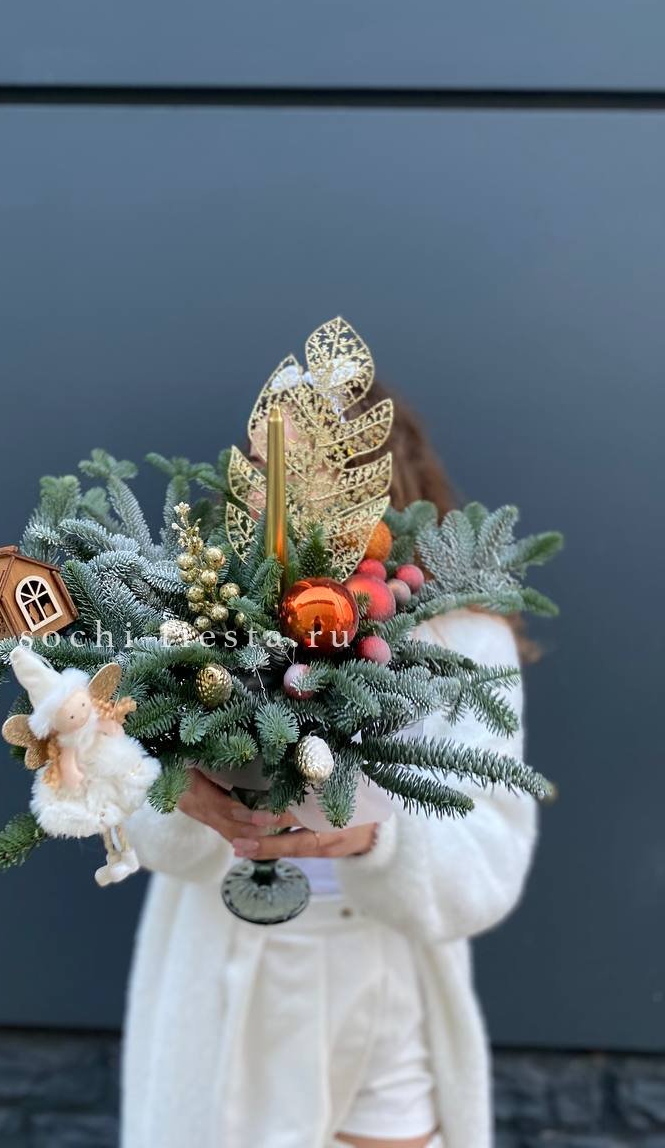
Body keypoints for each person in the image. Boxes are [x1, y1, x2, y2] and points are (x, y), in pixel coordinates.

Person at [120, 383, 539, 1148]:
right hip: (230, 970)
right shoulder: (204, 617)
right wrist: (178, 799)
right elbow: (120, 789)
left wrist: (380, 837)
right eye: (273, 474)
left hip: (385, 972)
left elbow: (489, 861)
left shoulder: (464, 641)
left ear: (385, 485)